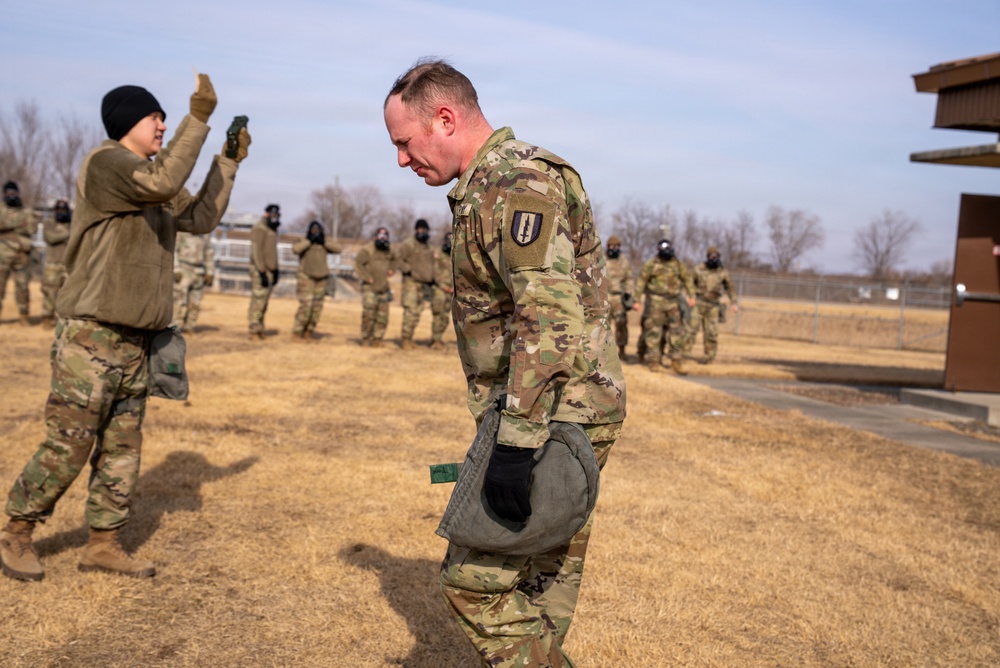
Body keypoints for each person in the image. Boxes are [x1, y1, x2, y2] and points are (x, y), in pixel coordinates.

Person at [384, 58, 626, 667]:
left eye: (405, 143)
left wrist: (516, 446)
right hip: (554, 409)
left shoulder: (516, 183)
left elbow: (549, 319)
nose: (402, 160)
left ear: (444, 118)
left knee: (474, 584)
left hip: (550, 416)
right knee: (543, 585)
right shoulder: (487, 186)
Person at [0, 72, 249, 582]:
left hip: (138, 341)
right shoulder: (107, 164)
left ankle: (103, 543)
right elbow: (163, 182)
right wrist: (197, 118)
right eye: (154, 117)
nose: (162, 125)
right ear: (126, 122)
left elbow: (199, 217)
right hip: (91, 336)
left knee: (121, 450)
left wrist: (228, 160)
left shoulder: (154, 182)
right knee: (69, 442)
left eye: (164, 117)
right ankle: (16, 531)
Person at [635, 238, 695, 375]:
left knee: (676, 332)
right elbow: (641, 281)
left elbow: (687, 279)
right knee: (654, 332)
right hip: (656, 302)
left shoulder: (678, 264)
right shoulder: (651, 264)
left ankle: (676, 361)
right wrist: (636, 299)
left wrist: (692, 296)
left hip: (673, 302)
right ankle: (654, 361)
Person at [290, 220, 342, 341]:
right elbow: (296, 249)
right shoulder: (303, 241)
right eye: (313, 230)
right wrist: (309, 240)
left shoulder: (323, 244)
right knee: (306, 306)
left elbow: (338, 248)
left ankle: (309, 332)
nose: (316, 233)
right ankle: (297, 333)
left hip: (321, 279)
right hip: (306, 277)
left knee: (317, 308)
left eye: (318, 231)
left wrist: (323, 241)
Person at [689, 245, 738, 364]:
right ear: (707, 257)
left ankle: (708, 358)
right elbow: (689, 283)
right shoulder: (699, 269)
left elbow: (730, 288)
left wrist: (734, 302)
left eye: (716, 256)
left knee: (711, 333)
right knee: (690, 330)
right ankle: (683, 355)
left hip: (713, 306)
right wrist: (691, 296)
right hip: (699, 303)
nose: (714, 258)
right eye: (712, 256)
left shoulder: (722, 272)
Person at [395, 218, 436, 349]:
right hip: (411, 283)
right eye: (421, 229)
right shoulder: (408, 245)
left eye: (425, 230)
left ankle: (410, 338)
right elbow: (398, 259)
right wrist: (408, 270)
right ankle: (405, 339)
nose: (423, 232)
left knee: (418, 312)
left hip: (424, 285)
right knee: (410, 311)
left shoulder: (428, 247)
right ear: (416, 230)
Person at [0, 181, 37, 326]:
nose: (12, 196)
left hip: (22, 255)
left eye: (14, 193)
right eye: (9, 193)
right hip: (2, 255)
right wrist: (18, 226)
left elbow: (32, 228)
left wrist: (8, 229)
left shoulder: (25, 211)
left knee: (22, 286)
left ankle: (23, 316)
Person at [354, 226, 395, 347]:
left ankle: (378, 340)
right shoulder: (367, 250)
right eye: (380, 235)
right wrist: (367, 277)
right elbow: (357, 264)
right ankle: (366, 339)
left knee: (382, 316)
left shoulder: (389, 250)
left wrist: (392, 269)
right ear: (375, 236)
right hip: (369, 288)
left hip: (383, 288)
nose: (383, 238)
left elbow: (396, 259)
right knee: (369, 315)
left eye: (385, 236)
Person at [172, 230, 215, 333]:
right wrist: (176, 269)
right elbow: (174, 250)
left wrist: (210, 271)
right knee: (179, 302)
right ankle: (174, 328)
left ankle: (189, 327)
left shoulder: (205, 233)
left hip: (199, 272)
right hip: (183, 270)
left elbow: (209, 252)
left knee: (195, 303)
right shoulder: (181, 232)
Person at [248, 203, 280, 340]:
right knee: (258, 301)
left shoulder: (272, 230)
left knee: (264, 302)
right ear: (266, 213)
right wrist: (261, 270)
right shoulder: (259, 228)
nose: (274, 217)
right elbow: (256, 250)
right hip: (260, 270)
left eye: (276, 214)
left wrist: (276, 269)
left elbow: (272, 251)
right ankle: (254, 330)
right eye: (271, 214)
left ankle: (260, 328)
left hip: (270, 270)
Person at [40, 198, 72, 327]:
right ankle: (47, 319)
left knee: (69, 294)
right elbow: (51, 238)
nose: (61, 212)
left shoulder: (73, 223)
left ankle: (66, 320)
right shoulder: (49, 223)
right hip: (52, 265)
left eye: (64, 210)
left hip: (69, 265)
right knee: (50, 293)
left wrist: (65, 234)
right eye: (59, 210)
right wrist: (69, 234)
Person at [604, 234, 635, 359]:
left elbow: (629, 278)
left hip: (619, 298)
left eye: (616, 246)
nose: (614, 248)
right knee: (603, 326)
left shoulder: (624, 261)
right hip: (604, 297)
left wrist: (629, 293)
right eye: (612, 245)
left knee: (621, 324)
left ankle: (621, 351)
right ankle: (604, 352)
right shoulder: (601, 258)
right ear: (608, 246)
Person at [429, 230, 454, 350]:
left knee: (445, 317)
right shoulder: (438, 254)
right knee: (438, 315)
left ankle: (439, 337)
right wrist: (443, 286)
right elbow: (435, 271)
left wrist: (453, 288)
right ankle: (436, 340)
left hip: (452, 290)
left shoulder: (456, 254)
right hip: (440, 289)